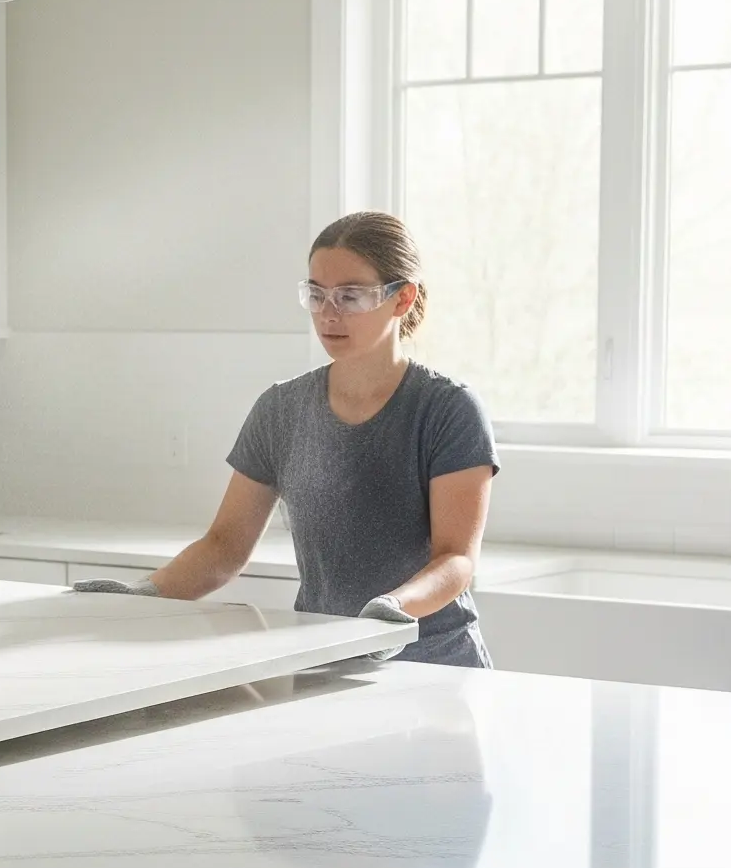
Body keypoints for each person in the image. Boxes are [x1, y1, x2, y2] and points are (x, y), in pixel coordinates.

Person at [76, 211, 497, 667]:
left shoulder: (448, 410)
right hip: (323, 660)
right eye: (316, 295)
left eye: (350, 296)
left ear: (401, 299)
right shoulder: (281, 409)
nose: (328, 314)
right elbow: (224, 547)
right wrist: (145, 594)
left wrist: (393, 610)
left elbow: (456, 559)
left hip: (437, 666)